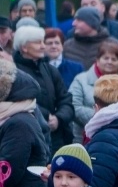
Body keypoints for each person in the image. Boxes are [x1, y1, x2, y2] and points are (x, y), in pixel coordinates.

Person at [13, 25, 74, 154]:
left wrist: (59, 118)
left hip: (56, 136)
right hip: (29, 136)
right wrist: (46, 116)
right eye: (37, 42)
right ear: (24, 47)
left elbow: (65, 99)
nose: (43, 46)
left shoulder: (50, 70)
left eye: (42, 42)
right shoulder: (13, 72)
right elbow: (19, 101)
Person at [69, 39, 118, 142]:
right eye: (106, 58)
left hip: (115, 138)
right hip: (84, 138)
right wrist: (104, 117)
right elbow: (73, 106)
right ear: (97, 60)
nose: (110, 62)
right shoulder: (81, 79)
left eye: (114, 59)